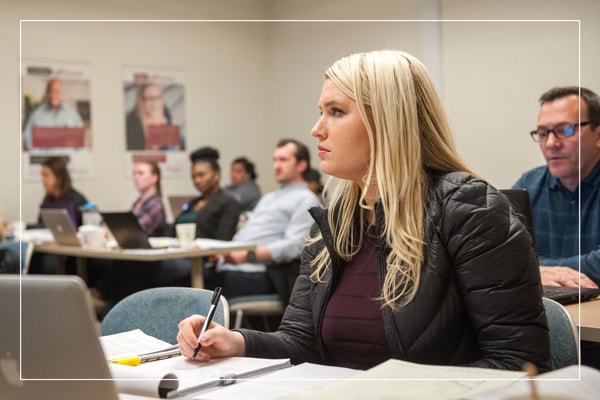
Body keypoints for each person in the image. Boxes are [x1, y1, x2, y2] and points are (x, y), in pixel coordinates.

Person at [177, 50, 551, 372]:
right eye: (320, 112)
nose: (316, 129)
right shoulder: (337, 218)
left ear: (387, 122)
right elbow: (301, 341)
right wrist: (237, 342)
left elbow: (518, 363)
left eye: (336, 112)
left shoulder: (469, 209)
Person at [512, 86, 600, 369]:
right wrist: (538, 269)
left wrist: (535, 268)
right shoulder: (529, 184)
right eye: (542, 133)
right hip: (544, 340)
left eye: (565, 130)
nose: (551, 143)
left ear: (598, 134)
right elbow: (496, 256)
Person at [204, 138, 321, 299]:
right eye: (275, 160)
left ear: (301, 165)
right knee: (188, 277)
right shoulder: (269, 197)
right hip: (233, 267)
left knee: (194, 286)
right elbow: (247, 234)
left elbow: (294, 246)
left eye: (283, 160)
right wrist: (225, 253)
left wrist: (247, 255)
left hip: (264, 273)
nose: (276, 165)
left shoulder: (307, 199)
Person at [30, 156, 88, 274]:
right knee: (32, 258)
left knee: (49, 263)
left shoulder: (75, 200)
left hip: (71, 252)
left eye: (46, 175)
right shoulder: (48, 199)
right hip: (50, 246)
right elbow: (41, 225)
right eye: (42, 175)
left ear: (58, 177)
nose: (43, 180)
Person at [173, 147, 242, 240]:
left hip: (205, 253)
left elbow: (223, 240)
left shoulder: (228, 204)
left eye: (201, 175)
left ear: (217, 174)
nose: (196, 181)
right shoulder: (193, 202)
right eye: (193, 177)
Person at [23, 79, 84, 151]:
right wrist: (38, 158)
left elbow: (80, 144)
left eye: (57, 91)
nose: (54, 95)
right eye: (51, 91)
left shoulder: (73, 115)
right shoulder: (36, 116)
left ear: (62, 94)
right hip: (45, 161)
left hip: (67, 160)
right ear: (47, 94)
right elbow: (28, 139)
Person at [126, 82, 177, 151]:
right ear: (141, 101)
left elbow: (172, 149)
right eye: (149, 98)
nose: (154, 103)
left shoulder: (167, 114)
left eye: (157, 97)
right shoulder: (132, 122)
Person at [131, 160, 167, 236]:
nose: (136, 177)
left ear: (154, 178)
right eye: (134, 174)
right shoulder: (137, 202)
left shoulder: (156, 205)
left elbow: (138, 229)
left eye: (141, 173)